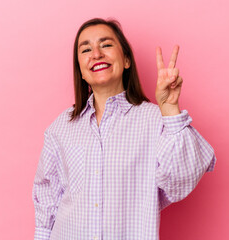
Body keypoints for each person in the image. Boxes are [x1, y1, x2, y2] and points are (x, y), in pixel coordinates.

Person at [32, 18, 216, 240]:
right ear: (81, 71)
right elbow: (48, 197)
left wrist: (170, 110)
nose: (96, 54)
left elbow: (180, 181)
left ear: (126, 60)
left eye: (106, 45)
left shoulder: (156, 120)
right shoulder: (60, 128)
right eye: (86, 49)